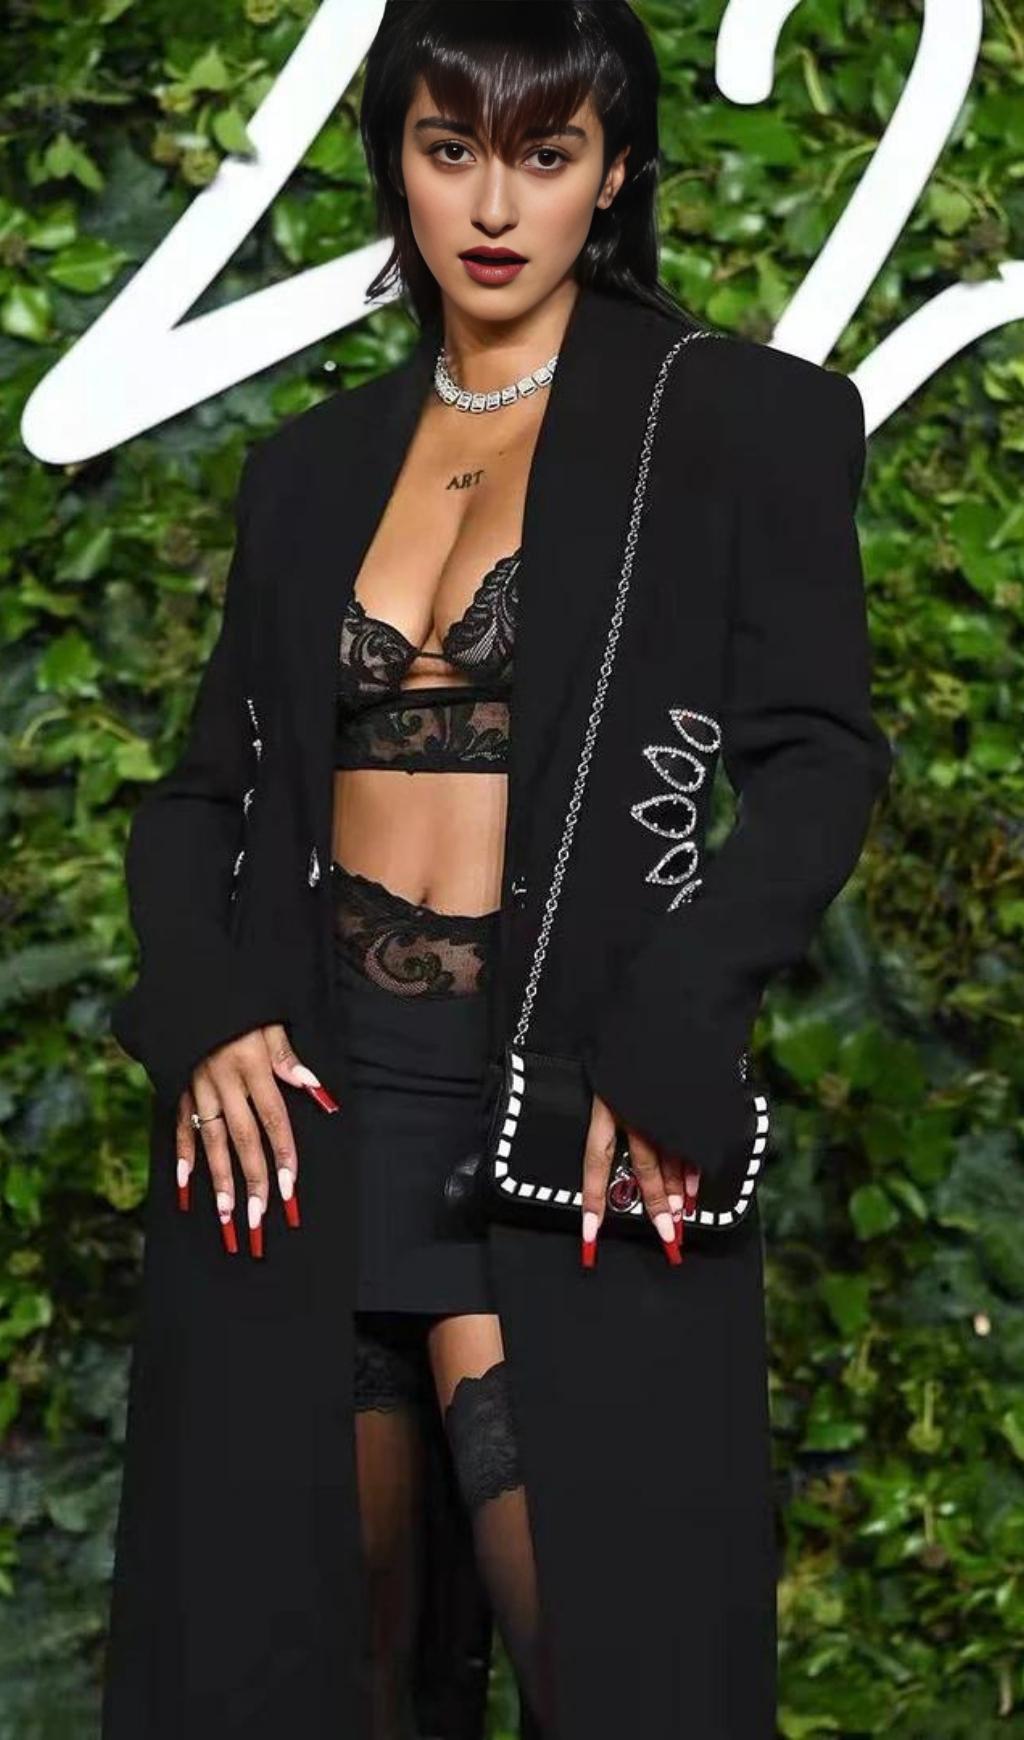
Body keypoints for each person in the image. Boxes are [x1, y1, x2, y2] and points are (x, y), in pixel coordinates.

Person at [102, 5, 892, 1738]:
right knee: (322, 1676)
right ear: (395, 159)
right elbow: (200, 800)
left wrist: (676, 1022)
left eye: (545, 155)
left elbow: (822, 762)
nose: (493, 204)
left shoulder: (735, 421)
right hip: (317, 1119)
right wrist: (208, 1010)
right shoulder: (307, 471)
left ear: (613, 173)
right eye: (450, 148)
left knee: (623, 1676)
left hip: (560, 1107)